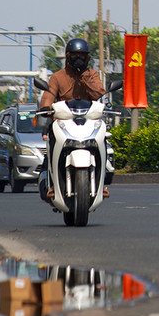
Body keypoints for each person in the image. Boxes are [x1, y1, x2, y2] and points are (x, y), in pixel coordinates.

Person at [39, 38, 108, 201]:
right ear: (68, 57)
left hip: (89, 122)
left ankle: (101, 182)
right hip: (63, 122)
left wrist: (84, 76)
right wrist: (46, 107)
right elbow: (48, 95)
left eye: (82, 56)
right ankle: (51, 184)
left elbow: (99, 93)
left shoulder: (92, 75)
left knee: (103, 143)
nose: (78, 59)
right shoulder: (57, 77)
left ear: (88, 58)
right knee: (51, 147)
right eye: (75, 56)